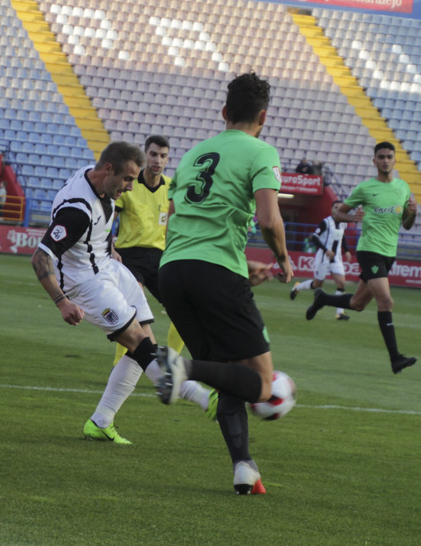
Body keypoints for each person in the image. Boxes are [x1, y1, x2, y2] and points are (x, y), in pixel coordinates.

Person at [157, 72, 295, 495]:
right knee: (263, 382)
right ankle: (181, 368)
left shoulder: (194, 153)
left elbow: (177, 213)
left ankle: (244, 468)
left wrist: (238, 263)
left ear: (224, 112)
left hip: (174, 270)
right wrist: (282, 258)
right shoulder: (261, 151)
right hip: (215, 270)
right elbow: (269, 219)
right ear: (264, 117)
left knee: (229, 373)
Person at [31, 142, 217, 444]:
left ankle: (101, 421)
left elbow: (97, 228)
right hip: (84, 284)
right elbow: (40, 258)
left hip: (107, 268)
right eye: (128, 179)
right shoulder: (76, 211)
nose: (131, 187)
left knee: (145, 342)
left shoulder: (98, 183)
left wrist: (110, 249)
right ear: (108, 170)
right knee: (141, 346)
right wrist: (62, 301)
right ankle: (204, 399)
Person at [85, 135, 192, 443]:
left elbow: (176, 220)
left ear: (168, 159)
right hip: (130, 256)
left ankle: (168, 360)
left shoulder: (171, 187)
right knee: (130, 319)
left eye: (163, 155)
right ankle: (127, 365)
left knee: (185, 310)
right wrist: (111, 247)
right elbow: (109, 216)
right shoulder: (130, 185)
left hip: (159, 258)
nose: (158, 160)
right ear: (146, 156)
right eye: (153, 154)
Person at [306, 141, 419, 375]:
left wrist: (413, 213)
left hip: (389, 254)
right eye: (381, 157)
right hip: (370, 251)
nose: (385, 160)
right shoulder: (366, 188)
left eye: (389, 156)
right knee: (386, 301)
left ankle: (323, 299)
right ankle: (395, 358)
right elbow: (336, 212)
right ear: (374, 161)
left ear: (394, 160)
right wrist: (351, 219)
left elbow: (406, 225)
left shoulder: (403, 188)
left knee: (358, 304)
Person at [290, 202, 353, 320]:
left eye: (340, 208)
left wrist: (347, 250)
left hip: (336, 258)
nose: (337, 210)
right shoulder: (325, 222)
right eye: (335, 208)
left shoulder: (344, 223)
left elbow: (342, 237)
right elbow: (314, 237)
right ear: (331, 210)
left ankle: (340, 313)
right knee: (317, 284)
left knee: (341, 283)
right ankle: (297, 287)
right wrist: (326, 250)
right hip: (323, 257)